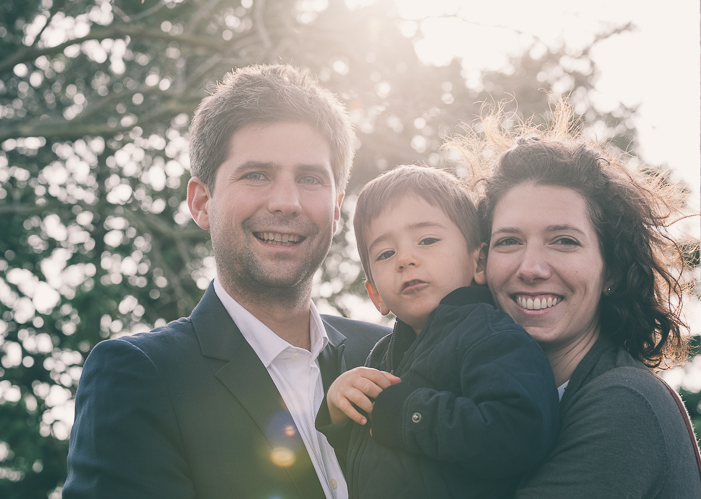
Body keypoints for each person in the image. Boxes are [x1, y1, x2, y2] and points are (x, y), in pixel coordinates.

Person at [63, 64, 388, 499]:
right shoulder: (140, 378)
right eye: (256, 174)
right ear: (201, 202)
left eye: (310, 179)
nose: (286, 202)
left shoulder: (391, 355)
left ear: (335, 209)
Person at [454, 102, 701, 498]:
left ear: (613, 271)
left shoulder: (625, 405)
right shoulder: (486, 400)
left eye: (564, 241)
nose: (531, 267)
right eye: (509, 241)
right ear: (480, 261)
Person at [317, 165, 560, 498]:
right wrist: (341, 413)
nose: (405, 259)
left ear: (479, 263)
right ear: (375, 295)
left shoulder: (490, 337)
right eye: (386, 253)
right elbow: (378, 458)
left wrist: (410, 415)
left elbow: (520, 433)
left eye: (427, 240)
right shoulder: (379, 357)